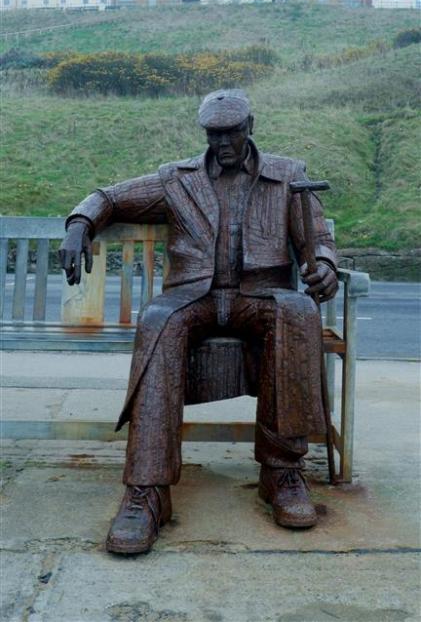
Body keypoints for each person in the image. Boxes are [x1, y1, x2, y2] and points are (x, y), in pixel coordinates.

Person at [59, 88, 338, 555]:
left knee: (297, 312)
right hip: (195, 297)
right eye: (213, 134)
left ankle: (283, 473)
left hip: (261, 295)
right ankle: (147, 492)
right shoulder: (178, 178)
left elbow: (319, 236)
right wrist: (79, 224)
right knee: (158, 322)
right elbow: (109, 196)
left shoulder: (288, 175)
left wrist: (325, 265)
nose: (222, 143)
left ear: (250, 126)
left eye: (230, 132)